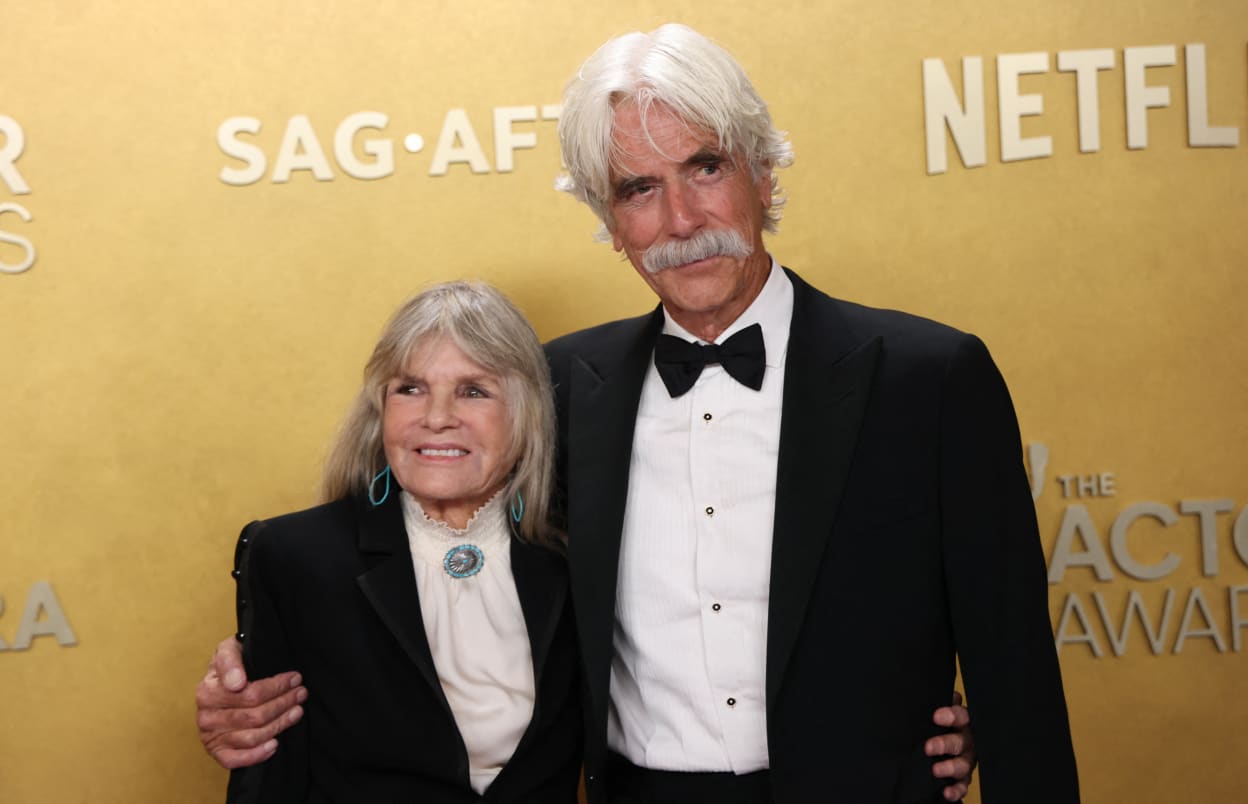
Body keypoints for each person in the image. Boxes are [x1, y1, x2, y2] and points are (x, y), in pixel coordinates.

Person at [192, 22, 1066, 803]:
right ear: (608, 221)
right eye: (638, 189)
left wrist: (979, 730)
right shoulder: (563, 385)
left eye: (706, 167)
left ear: (762, 172)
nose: (681, 219)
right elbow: (411, 513)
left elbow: (1015, 666)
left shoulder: (932, 378)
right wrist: (261, 674)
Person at [221, 282, 581, 802]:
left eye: (474, 390)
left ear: (526, 414)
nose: (436, 418)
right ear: (380, 408)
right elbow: (265, 769)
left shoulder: (575, 552)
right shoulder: (294, 555)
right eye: (409, 388)